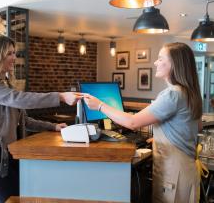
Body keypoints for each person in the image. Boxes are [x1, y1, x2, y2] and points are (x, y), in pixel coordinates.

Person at [84, 42, 202, 203]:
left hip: (175, 174)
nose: (155, 62)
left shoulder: (172, 95)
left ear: (174, 64)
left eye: (160, 59)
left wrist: (100, 105)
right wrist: (161, 138)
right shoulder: (189, 93)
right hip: (185, 171)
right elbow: (193, 127)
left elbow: (132, 122)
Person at [0, 35, 82, 203]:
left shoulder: (5, 85)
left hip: (10, 154)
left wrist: (53, 127)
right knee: (12, 199)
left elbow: (24, 120)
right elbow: (19, 99)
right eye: (10, 53)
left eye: (14, 53)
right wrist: (60, 96)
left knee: (10, 199)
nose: (14, 58)